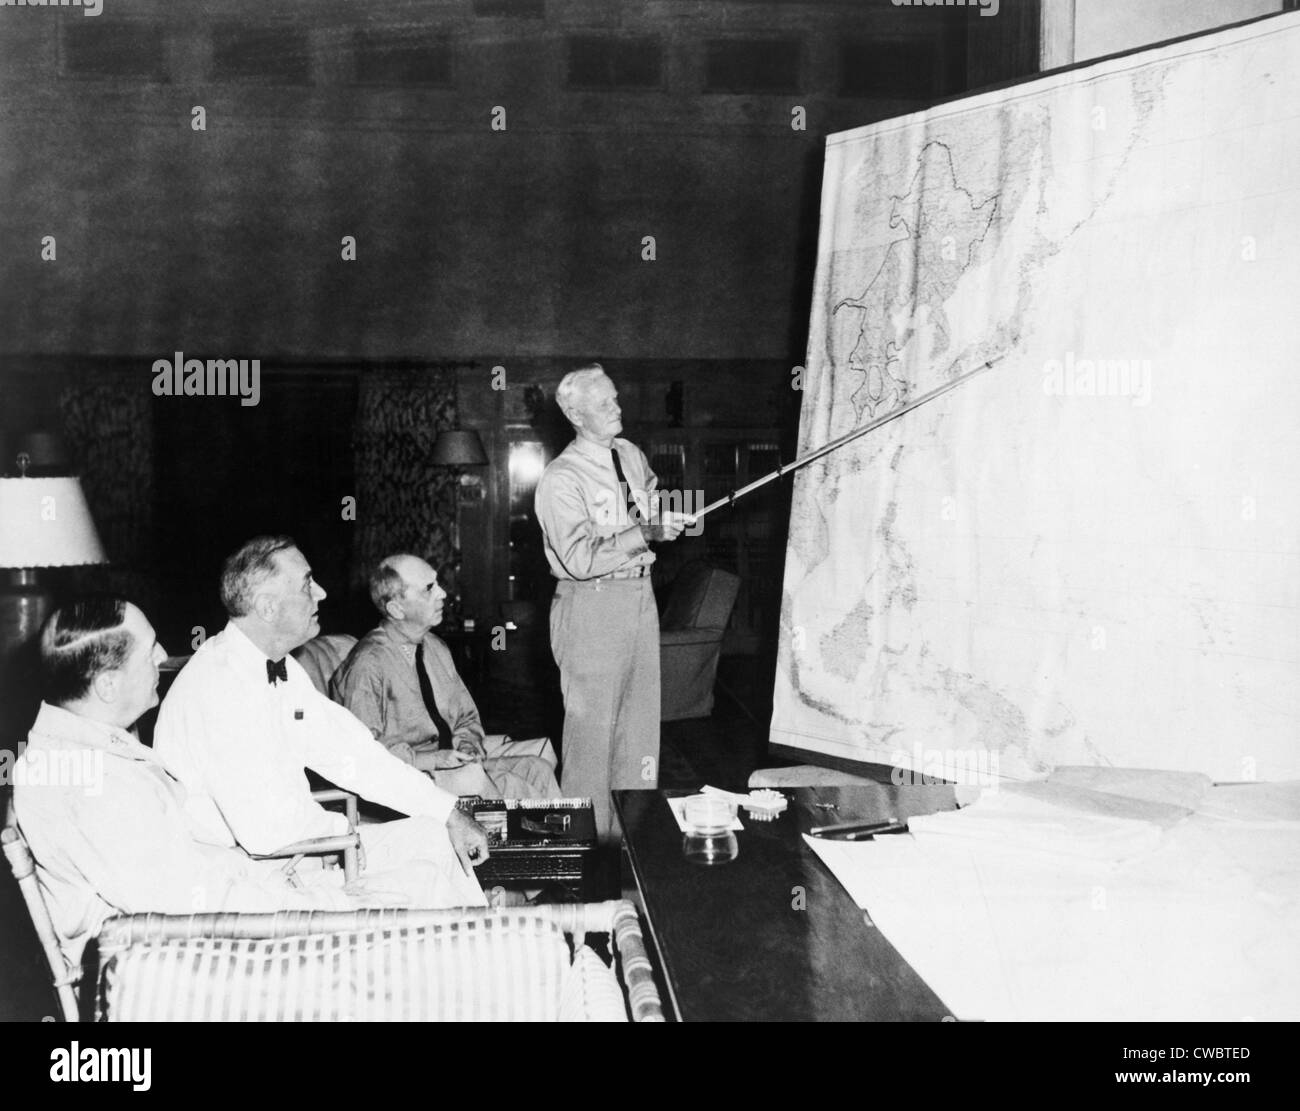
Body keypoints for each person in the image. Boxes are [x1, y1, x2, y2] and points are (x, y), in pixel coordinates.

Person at [12, 596, 357, 965]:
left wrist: (282, 886)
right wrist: (315, 907)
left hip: (175, 941)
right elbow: (188, 903)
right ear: (108, 686)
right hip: (158, 973)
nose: (162, 656)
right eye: (148, 652)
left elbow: (192, 860)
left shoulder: (87, 749)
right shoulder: (91, 783)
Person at [153, 536, 488, 908]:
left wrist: (447, 811)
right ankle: (483, 949)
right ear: (267, 607)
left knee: (435, 834)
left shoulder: (279, 669)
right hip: (252, 881)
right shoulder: (217, 687)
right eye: (307, 584)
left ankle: (490, 945)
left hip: (303, 853)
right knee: (426, 883)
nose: (322, 593)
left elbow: (357, 756)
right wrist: (343, 832)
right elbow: (267, 830)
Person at [534, 364, 690, 838]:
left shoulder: (630, 454)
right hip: (591, 604)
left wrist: (670, 518)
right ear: (575, 414)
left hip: (640, 597)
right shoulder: (560, 478)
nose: (617, 408)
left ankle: (630, 848)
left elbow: (650, 505)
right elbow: (579, 558)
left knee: (640, 729)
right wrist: (641, 532)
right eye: (604, 404)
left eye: (616, 398)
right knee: (591, 739)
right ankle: (583, 854)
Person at [331, 553, 561, 800]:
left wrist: (468, 745)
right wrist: (432, 759)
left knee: (538, 770)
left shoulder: (435, 647)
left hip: (450, 764)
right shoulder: (368, 663)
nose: (442, 593)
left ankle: (560, 837)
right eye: (429, 589)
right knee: (498, 786)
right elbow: (364, 753)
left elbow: (466, 717)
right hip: (405, 780)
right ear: (397, 609)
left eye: (437, 583)